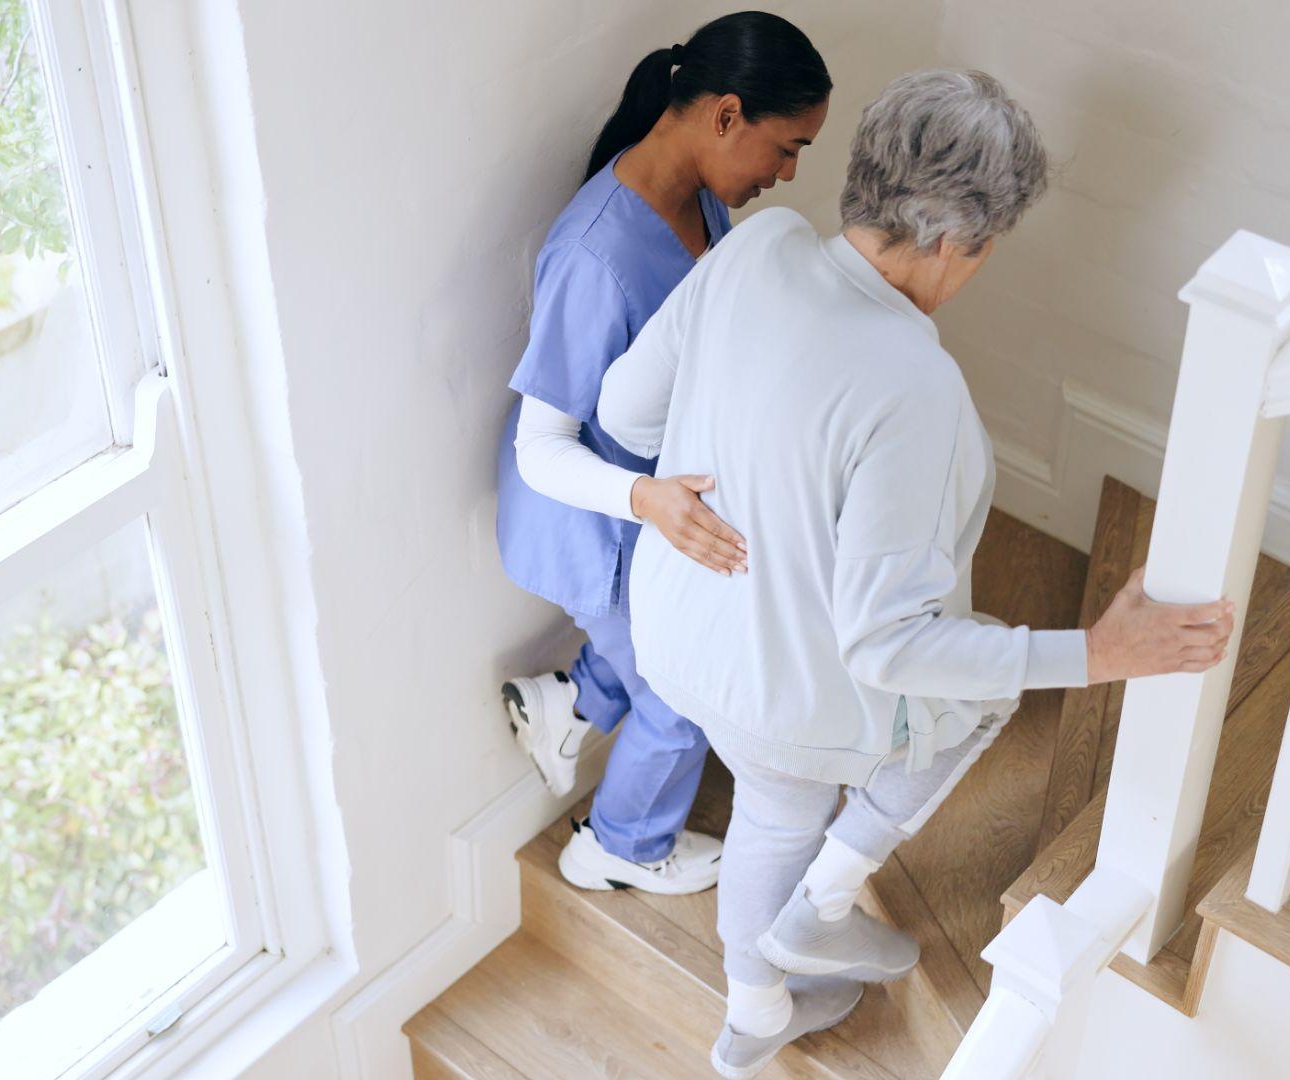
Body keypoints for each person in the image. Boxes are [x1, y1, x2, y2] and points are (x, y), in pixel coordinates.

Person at [598, 69, 1238, 1077]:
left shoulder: (758, 244)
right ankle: (823, 900)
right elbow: (889, 644)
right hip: (783, 694)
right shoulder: (914, 386)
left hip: (675, 632)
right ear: (952, 242)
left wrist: (754, 485)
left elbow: (628, 414)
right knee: (979, 693)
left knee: (772, 804)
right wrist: (1103, 652)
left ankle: (756, 1010)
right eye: (984, 251)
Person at [495, 12, 831, 896]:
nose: (790, 173)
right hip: (593, 518)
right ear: (726, 116)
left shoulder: (703, 199)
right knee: (682, 694)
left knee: (659, 643)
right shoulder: (592, 255)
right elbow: (539, 448)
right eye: (787, 147)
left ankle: (568, 708)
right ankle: (618, 847)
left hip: (651, 503)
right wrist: (653, 504)